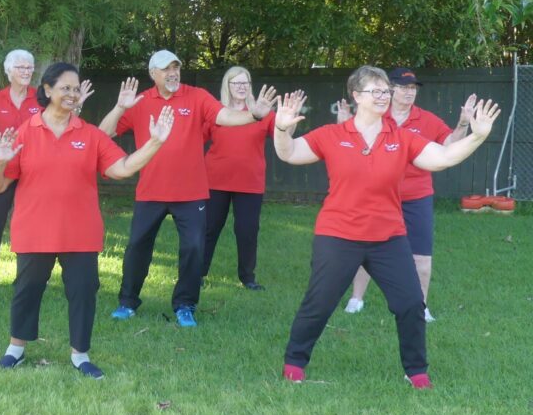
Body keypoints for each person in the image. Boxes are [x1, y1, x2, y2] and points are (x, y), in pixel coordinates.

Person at [274, 66, 499, 388]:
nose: (383, 97)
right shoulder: (332, 135)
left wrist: (478, 135)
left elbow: (444, 157)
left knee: (410, 304)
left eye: (385, 91)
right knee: (319, 303)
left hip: (388, 238)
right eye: (375, 91)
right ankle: (295, 362)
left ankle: (416, 370)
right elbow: (290, 153)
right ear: (356, 96)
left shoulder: (402, 137)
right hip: (338, 234)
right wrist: (281, 130)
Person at [0, 62, 174, 379]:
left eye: (76, 89)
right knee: (26, 291)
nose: (73, 94)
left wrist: (155, 142)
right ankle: (15, 350)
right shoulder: (25, 132)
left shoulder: (90, 135)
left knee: (84, 292)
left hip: (81, 232)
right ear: (47, 90)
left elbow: (123, 168)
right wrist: (1, 160)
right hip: (35, 230)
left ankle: (80, 356)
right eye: (66, 88)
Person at [99, 50, 275, 327]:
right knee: (136, 247)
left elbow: (226, 116)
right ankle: (127, 302)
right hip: (151, 192)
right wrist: (121, 107)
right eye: (166, 69)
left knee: (194, 248)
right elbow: (103, 133)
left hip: (191, 193)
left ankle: (185, 305)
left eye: (176, 68)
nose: (173, 73)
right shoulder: (140, 101)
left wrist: (253, 115)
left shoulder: (197, 96)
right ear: (153, 74)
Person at [0, 49, 93, 288]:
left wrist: (75, 106)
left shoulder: (41, 97)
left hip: (35, 169)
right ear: (8, 71)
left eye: (29, 67)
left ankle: (28, 275)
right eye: (21, 67)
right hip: (4, 169)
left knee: (36, 223)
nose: (26, 71)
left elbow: (60, 119)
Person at [340, 68, 476, 322]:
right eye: (403, 87)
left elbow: (449, 145)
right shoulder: (375, 115)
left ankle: (421, 305)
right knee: (365, 248)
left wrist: (464, 122)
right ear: (390, 90)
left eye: (413, 88)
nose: (409, 92)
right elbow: (349, 142)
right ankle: (356, 299)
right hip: (377, 194)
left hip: (417, 196)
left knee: (421, 255)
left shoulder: (427, 120)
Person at [201, 67, 283, 291]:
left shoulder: (262, 111)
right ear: (227, 86)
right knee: (209, 228)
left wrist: (287, 120)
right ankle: (198, 273)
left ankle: (247, 277)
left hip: (250, 182)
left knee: (247, 230)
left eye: (244, 83)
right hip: (215, 180)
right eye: (235, 83)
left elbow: (283, 135)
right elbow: (195, 138)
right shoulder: (216, 112)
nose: (241, 87)